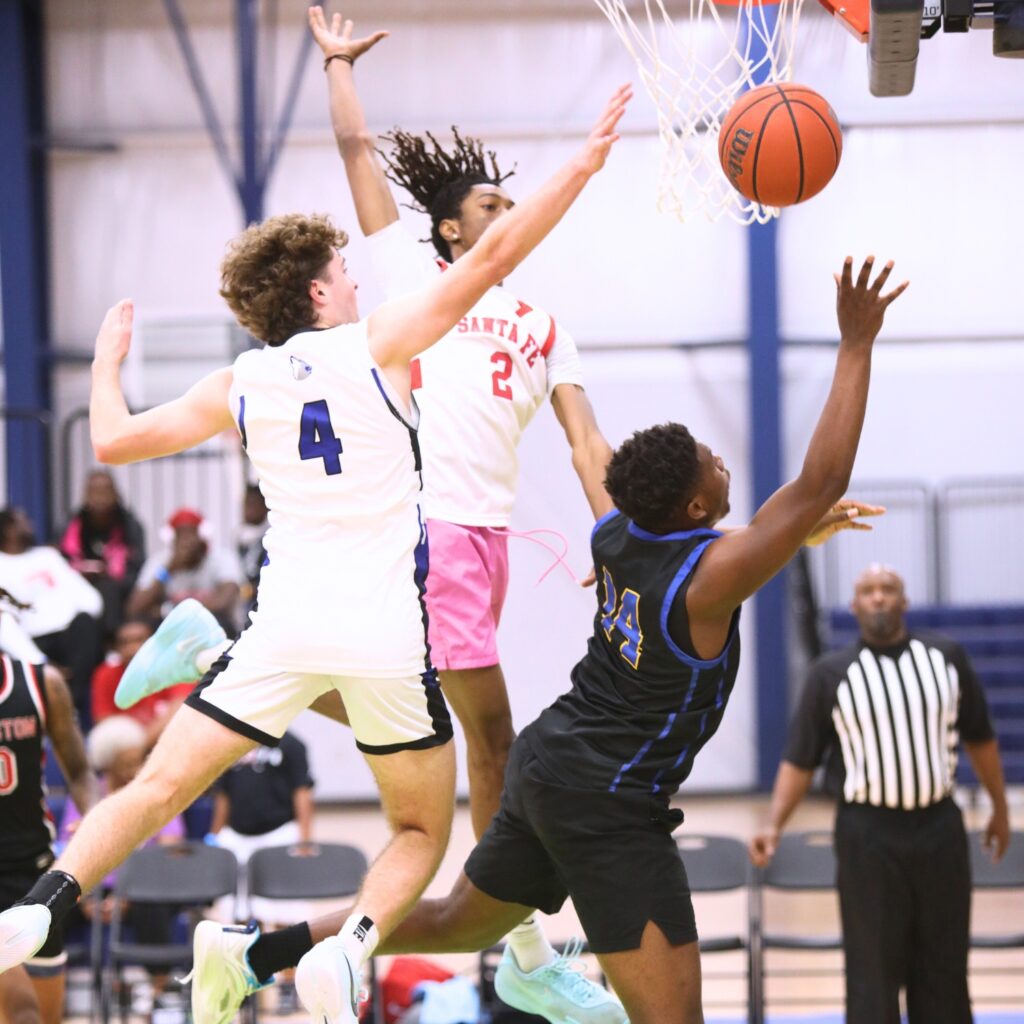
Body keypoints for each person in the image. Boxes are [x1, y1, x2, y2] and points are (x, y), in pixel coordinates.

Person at [0, 83, 633, 1024]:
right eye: (344, 270)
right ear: (316, 292)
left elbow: (115, 442)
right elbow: (496, 253)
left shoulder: (241, 380)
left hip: (283, 628)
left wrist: (104, 363)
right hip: (381, 634)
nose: (357, 279)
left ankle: (42, 904)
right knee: (421, 825)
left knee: (163, 782)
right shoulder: (379, 344)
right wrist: (583, 163)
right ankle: (358, 947)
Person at [179, 256, 908, 1024]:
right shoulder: (707, 573)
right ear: (697, 504)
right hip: (610, 803)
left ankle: (247, 956)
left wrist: (779, 537)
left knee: (459, 922)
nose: (724, 461)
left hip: (549, 762)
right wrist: (856, 344)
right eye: (714, 463)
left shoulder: (618, 535)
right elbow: (818, 481)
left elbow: (714, 532)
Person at [307, 16, 618, 1015]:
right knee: (488, 739)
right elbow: (358, 154)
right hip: (428, 526)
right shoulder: (408, 275)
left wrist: (615, 537)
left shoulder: (546, 324)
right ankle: (523, 945)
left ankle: (233, 666)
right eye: (493, 201)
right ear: (451, 229)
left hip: (479, 541)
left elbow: (583, 442)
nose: (508, 209)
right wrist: (338, 67)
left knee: (463, 737)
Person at [749, 564, 1011, 1024]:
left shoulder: (946, 658)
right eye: (867, 591)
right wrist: (773, 824)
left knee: (944, 961)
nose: (878, 598)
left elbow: (981, 738)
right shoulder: (829, 673)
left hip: (939, 829)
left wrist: (1000, 809)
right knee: (871, 965)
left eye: (888, 589)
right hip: (866, 835)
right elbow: (800, 760)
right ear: (854, 607)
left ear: (903, 602)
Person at [0, 594, 97, 1024]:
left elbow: (79, 772)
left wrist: (92, 828)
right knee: (22, 1013)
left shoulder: (42, 685)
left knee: (45, 1016)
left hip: (32, 870)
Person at [0, 508, 105, 728]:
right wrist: (43, 665)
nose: (30, 524)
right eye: (23, 520)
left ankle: (70, 708)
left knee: (86, 622)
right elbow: (5, 626)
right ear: (8, 529)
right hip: (28, 645)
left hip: (68, 637)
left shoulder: (47, 556)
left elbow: (92, 602)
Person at [58, 469, 146, 638]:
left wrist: (109, 576)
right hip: (77, 586)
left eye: (105, 491)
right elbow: (60, 563)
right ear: (85, 494)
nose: (100, 498)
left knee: (108, 590)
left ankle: (112, 644)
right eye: (94, 491)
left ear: (116, 494)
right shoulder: (70, 524)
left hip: (119, 592)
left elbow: (138, 568)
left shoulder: (130, 526)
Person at [128, 509, 243, 635]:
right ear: (171, 539)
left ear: (203, 536)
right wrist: (168, 569)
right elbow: (135, 608)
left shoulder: (222, 557)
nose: (186, 541)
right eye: (180, 534)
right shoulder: (161, 561)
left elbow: (223, 603)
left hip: (213, 628)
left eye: (191, 533)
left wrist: (166, 609)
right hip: (174, 628)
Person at [236, 485, 269, 617]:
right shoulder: (238, 534)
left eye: (253, 504)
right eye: (246, 504)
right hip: (243, 599)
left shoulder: (270, 535)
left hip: (261, 599)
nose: (248, 509)